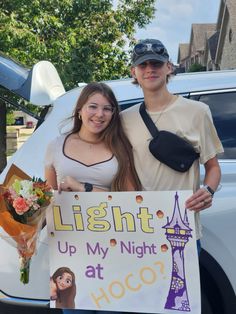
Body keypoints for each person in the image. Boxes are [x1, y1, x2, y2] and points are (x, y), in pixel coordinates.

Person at [45, 82, 141, 314]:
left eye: (107, 109)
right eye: (93, 106)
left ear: (114, 114)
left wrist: (83, 188)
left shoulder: (121, 148)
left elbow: (133, 201)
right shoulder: (56, 146)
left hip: (114, 246)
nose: (99, 114)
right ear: (80, 110)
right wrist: (26, 235)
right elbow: (47, 197)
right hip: (72, 249)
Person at [120, 38, 224, 253]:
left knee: (184, 286)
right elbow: (126, 170)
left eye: (156, 64)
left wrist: (208, 191)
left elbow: (212, 167)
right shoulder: (124, 120)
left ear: (168, 67)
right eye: (143, 65)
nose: (150, 70)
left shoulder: (197, 112)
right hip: (143, 228)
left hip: (184, 226)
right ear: (134, 72)